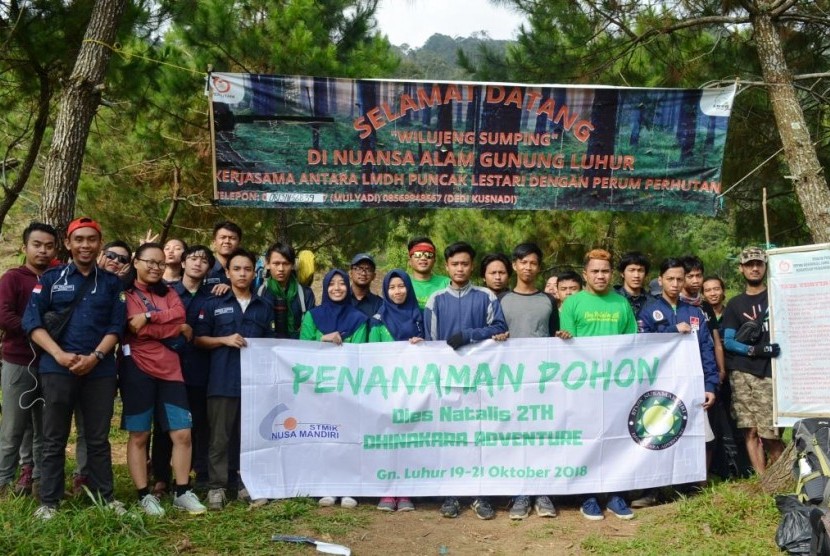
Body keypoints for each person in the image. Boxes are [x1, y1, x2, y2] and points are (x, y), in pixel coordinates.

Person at [23, 217, 127, 520]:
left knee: (97, 438)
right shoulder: (52, 278)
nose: (85, 245)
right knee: (54, 438)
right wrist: (59, 355)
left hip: (100, 370)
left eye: (91, 239)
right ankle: (50, 502)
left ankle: (105, 498)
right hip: (56, 368)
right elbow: (32, 323)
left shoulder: (111, 283)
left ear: (99, 243)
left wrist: (95, 356)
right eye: (78, 239)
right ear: (68, 244)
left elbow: (116, 326)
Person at [120, 243, 206, 516]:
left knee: (182, 433)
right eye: (150, 262)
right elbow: (132, 329)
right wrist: (166, 327)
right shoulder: (126, 294)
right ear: (136, 262)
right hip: (138, 369)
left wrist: (147, 318)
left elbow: (179, 317)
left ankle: (182, 491)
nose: (155, 267)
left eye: (160, 263)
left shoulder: (170, 291)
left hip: (171, 371)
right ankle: (144, 494)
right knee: (140, 434)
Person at [424, 241, 507, 520]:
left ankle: (480, 494)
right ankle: (451, 494)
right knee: (451, 435)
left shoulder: (486, 296)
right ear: (446, 266)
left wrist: (469, 334)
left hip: (481, 379)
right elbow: (430, 341)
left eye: (465, 263)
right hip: (447, 379)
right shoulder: (435, 299)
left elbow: (500, 327)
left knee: (479, 435)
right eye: (455, 264)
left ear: (472, 266)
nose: (460, 268)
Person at [194, 248, 276, 510]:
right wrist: (224, 340)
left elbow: (272, 344)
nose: (242, 273)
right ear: (227, 272)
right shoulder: (213, 302)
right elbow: (198, 339)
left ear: (255, 273)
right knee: (219, 437)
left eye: (248, 269)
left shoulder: (265, 306)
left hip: (255, 384)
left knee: (250, 436)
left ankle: (246, 483)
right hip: (222, 380)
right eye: (237, 269)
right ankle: (217, 487)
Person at [558, 249, 636, 521]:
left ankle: (615, 495)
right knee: (587, 441)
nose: (601, 276)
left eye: (605, 271)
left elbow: (633, 345)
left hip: (616, 385)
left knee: (616, 439)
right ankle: (588, 496)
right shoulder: (572, 304)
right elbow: (568, 347)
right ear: (585, 274)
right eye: (595, 271)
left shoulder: (622, 304)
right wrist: (565, 337)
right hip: (584, 386)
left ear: (611, 273)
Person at [637, 258, 720, 507]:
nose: (675, 284)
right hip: (658, 384)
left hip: (691, 383)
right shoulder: (649, 310)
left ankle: (692, 484)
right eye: (670, 279)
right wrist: (672, 330)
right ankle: (654, 489)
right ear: (660, 280)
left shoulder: (695, 312)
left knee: (697, 434)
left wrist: (710, 385)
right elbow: (641, 346)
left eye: (679, 279)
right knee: (657, 432)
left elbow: (706, 348)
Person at [498, 243, 565, 520]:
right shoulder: (500, 300)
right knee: (516, 434)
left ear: (539, 267)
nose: (528, 268)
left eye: (533, 263)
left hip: (542, 381)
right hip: (509, 381)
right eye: (523, 262)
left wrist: (562, 340)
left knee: (542, 434)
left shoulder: (548, 301)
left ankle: (543, 491)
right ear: (514, 265)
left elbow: (554, 337)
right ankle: (520, 491)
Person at [300, 269, 368, 509]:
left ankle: (349, 487)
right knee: (325, 434)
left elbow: (360, 350)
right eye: (332, 284)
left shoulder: (358, 318)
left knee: (349, 434)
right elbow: (302, 345)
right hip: (320, 386)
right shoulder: (313, 316)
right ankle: (327, 485)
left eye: (342, 284)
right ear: (325, 288)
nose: (337, 288)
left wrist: (343, 342)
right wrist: (323, 339)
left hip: (349, 385)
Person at [153, 245, 216, 495]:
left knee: (199, 425)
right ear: (183, 261)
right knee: (163, 426)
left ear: (209, 267)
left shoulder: (213, 296)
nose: (197, 263)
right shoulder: (167, 292)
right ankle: (160, 476)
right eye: (193, 258)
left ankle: (196, 475)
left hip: (200, 370)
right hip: (167, 368)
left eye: (203, 260)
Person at [0, 222, 57, 496]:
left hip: (50, 364)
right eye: (37, 245)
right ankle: (3, 480)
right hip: (17, 361)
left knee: (44, 428)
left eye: (48, 246)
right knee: (13, 427)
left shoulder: (58, 279)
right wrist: (35, 329)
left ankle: (39, 480)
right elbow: (3, 314)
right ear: (25, 247)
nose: (43, 251)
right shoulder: (13, 278)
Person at [721, 247, 784, 474]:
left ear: (765, 266)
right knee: (749, 429)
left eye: (758, 263)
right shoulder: (735, 303)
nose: (754, 268)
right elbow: (728, 341)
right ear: (741, 269)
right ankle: (762, 480)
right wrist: (756, 350)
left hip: (771, 372)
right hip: (742, 371)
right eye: (749, 264)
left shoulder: (777, 295)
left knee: (770, 433)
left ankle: (780, 478)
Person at [368, 269, 423, 512]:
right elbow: (371, 354)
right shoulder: (378, 319)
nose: (397, 291)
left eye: (402, 286)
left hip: (415, 389)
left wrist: (423, 344)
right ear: (385, 291)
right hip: (387, 390)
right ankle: (388, 492)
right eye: (392, 287)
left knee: (410, 438)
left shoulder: (421, 316)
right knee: (388, 439)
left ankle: (407, 491)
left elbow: (434, 345)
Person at [258, 242, 316, 339]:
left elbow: (311, 327)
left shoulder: (305, 294)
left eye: (286, 264)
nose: (281, 269)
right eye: (276, 264)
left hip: (297, 348)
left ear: (293, 265)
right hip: (268, 348)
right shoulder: (260, 293)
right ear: (267, 264)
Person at [407, 237, 450, 309]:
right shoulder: (402, 284)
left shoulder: (446, 283)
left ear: (434, 260)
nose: (423, 258)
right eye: (418, 254)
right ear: (410, 261)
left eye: (428, 254)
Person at [615, 251, 651, 329]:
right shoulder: (612, 299)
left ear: (646, 274)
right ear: (622, 273)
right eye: (632, 270)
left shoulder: (652, 302)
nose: (636, 275)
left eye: (640, 270)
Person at [205, 221, 242, 288]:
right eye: (223, 237)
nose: (227, 241)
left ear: (239, 243)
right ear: (214, 242)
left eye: (232, 238)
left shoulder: (244, 271)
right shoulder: (205, 269)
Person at [348, 253, 383, 318]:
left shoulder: (380, 305)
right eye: (359, 268)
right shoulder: (340, 300)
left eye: (368, 269)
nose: (363, 273)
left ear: (374, 276)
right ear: (350, 273)